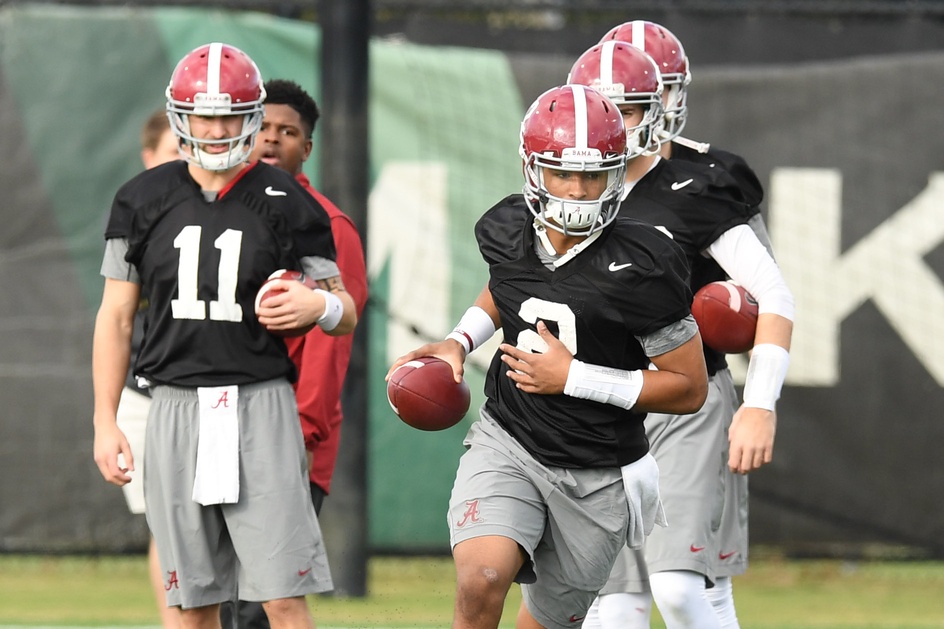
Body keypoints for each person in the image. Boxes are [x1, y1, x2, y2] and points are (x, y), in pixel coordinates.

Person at [386, 84, 709, 629]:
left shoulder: (645, 262)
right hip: (510, 440)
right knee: (481, 579)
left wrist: (575, 377)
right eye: (563, 173)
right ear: (533, 169)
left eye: (594, 175)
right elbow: (506, 288)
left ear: (618, 171)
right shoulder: (507, 228)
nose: (578, 191)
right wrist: (459, 340)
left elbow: (688, 387)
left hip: (599, 471)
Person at [92, 42, 358, 629]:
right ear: (180, 114)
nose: (215, 128)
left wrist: (318, 305)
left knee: (283, 600)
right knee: (190, 604)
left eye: (229, 114)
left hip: (258, 402)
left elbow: (346, 310)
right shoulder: (140, 199)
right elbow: (114, 317)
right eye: (202, 113)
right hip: (173, 403)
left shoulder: (289, 201)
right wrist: (104, 419)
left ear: (251, 116)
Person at [568, 37, 794, 629]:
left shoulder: (697, 186)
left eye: (631, 106)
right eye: (601, 105)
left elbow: (769, 293)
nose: (614, 122)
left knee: (679, 587)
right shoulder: (563, 189)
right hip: (597, 401)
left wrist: (760, 404)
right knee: (613, 603)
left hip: (685, 395)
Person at [218, 80, 369, 629]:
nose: (271, 140)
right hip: (217, 431)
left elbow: (332, 344)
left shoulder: (326, 225)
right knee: (217, 598)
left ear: (307, 148)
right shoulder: (221, 214)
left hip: (287, 437)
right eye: (262, 128)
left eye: (288, 132)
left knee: (265, 604)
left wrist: (301, 433)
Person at [115, 109, 184, 629]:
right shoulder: (137, 219)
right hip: (146, 395)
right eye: (170, 152)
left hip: (222, 394)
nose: (182, 162)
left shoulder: (236, 215)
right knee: (167, 527)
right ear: (148, 159)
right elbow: (115, 318)